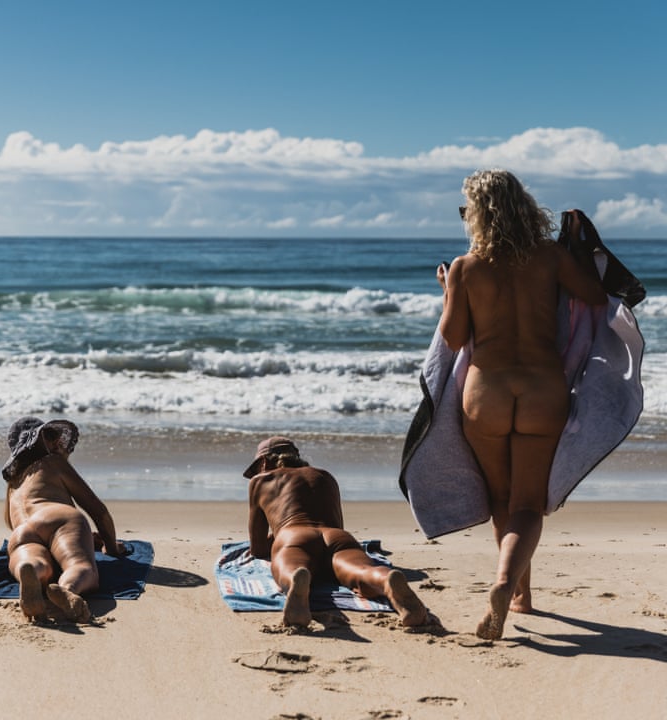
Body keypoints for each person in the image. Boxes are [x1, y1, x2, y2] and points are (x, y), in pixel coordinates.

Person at [439, 169, 607, 639]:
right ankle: (509, 586)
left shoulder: (465, 266)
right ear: (522, 207)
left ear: (479, 215)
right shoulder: (550, 257)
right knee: (529, 503)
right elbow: (596, 296)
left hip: (487, 390)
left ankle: (516, 595)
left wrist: (449, 291)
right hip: (541, 389)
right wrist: (573, 251)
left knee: (500, 498)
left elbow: (454, 339)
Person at [246, 436, 429, 629]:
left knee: (292, 567)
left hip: (293, 535)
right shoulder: (325, 476)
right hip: (337, 536)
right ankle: (385, 581)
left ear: (264, 462)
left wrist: (278, 537)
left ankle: (295, 582)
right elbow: (337, 523)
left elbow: (258, 548)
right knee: (360, 571)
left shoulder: (260, 481)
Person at [1, 416, 124, 623]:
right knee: (80, 566)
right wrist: (112, 547)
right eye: (52, 437)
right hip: (58, 517)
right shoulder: (53, 463)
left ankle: (29, 570)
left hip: (21, 534)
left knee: (39, 564)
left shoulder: (13, 485)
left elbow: (19, 524)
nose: (59, 442)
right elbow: (98, 511)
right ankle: (68, 589)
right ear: (41, 442)